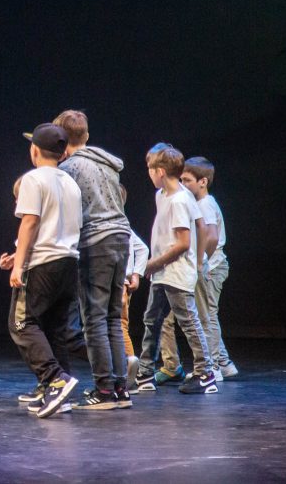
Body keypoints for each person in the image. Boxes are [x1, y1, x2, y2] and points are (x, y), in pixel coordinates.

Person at [0, 123, 82, 418]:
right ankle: (58, 394)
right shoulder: (70, 182)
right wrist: (17, 255)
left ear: (35, 149)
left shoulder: (33, 179)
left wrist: (19, 264)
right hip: (68, 262)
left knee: (21, 324)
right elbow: (54, 226)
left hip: (43, 263)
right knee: (55, 329)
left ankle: (55, 379)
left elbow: (31, 222)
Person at [52, 110, 133, 410]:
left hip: (96, 240)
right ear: (86, 135)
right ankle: (120, 388)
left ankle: (104, 390)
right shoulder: (108, 164)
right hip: (121, 236)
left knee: (95, 319)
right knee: (112, 316)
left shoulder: (69, 168)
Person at [134, 143, 218, 395]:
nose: (149, 173)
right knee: (152, 320)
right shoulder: (163, 195)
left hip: (176, 273)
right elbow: (200, 225)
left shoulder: (180, 200)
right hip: (163, 273)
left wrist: (155, 263)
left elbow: (183, 243)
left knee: (189, 322)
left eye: (150, 169)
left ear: (160, 171)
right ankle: (145, 372)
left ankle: (206, 373)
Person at [158, 157, 239, 381]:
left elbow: (211, 237)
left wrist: (200, 262)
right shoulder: (197, 202)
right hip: (207, 267)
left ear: (203, 182)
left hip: (211, 268)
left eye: (187, 180)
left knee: (206, 317)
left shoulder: (205, 204)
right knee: (204, 316)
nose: (183, 184)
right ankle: (224, 363)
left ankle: (213, 366)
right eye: (181, 180)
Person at [117, 184, 149, 395]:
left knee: (116, 326)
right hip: (125, 282)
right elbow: (142, 248)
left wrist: (135, 274)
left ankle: (128, 362)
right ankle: (126, 370)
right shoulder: (124, 224)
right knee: (120, 325)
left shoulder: (113, 225)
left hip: (117, 282)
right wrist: (136, 274)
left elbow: (142, 249)